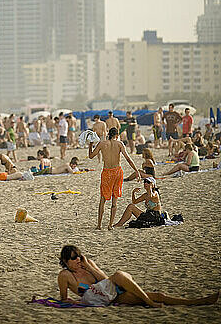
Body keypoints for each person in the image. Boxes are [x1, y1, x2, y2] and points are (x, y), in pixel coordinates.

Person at [57, 245, 219, 307]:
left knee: (158, 295)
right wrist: (72, 301)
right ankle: (150, 303)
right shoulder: (65, 275)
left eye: (78, 256)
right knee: (120, 275)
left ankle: (198, 302)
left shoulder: (87, 263)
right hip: (98, 298)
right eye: (73, 258)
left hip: (111, 293)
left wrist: (89, 267)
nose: (77, 259)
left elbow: (104, 279)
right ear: (65, 261)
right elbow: (64, 299)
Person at [88, 127, 140, 230]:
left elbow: (91, 156)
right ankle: (110, 225)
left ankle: (99, 225)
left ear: (109, 134)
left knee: (102, 199)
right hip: (117, 172)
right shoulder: (120, 144)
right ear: (116, 135)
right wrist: (137, 171)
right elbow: (128, 159)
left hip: (107, 172)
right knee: (114, 201)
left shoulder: (102, 144)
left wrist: (90, 145)